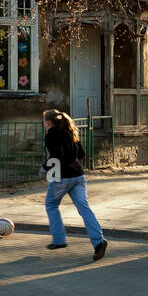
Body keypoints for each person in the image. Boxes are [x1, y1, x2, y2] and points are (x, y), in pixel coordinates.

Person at [41, 109, 108, 261]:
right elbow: (81, 154)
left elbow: (56, 156)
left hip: (61, 178)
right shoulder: (70, 132)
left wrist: (44, 168)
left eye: (44, 121)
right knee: (84, 209)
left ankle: (59, 240)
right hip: (78, 176)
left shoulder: (51, 135)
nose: (44, 124)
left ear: (48, 122)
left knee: (51, 205)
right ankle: (99, 242)